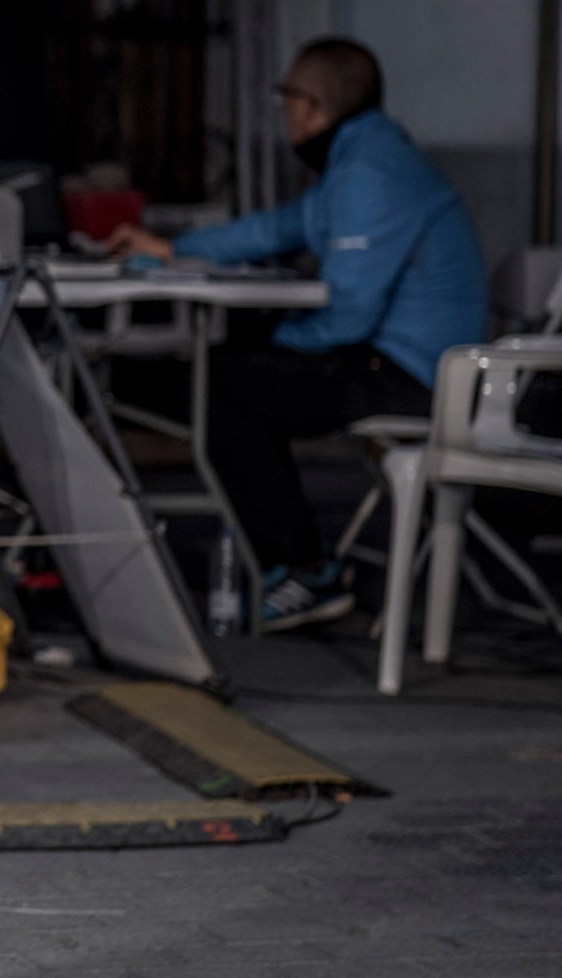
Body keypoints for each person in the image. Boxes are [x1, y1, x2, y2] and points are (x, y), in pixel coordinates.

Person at [108, 36, 486, 629]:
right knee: (237, 370)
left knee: (227, 386)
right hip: (418, 368)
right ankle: (298, 561)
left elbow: (349, 315)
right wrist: (172, 248)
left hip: (415, 380)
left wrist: (277, 342)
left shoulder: (366, 172)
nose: (286, 114)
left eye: (287, 100)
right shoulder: (367, 158)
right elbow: (276, 229)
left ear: (310, 108)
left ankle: (306, 571)